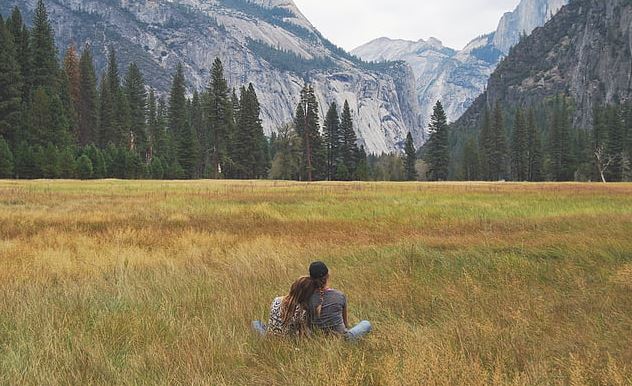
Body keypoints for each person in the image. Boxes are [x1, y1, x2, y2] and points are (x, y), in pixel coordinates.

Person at [306, 261, 372, 342]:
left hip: (317, 340)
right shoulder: (339, 295)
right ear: (328, 275)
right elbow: (345, 323)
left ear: (310, 278)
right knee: (366, 323)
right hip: (342, 339)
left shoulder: (307, 297)